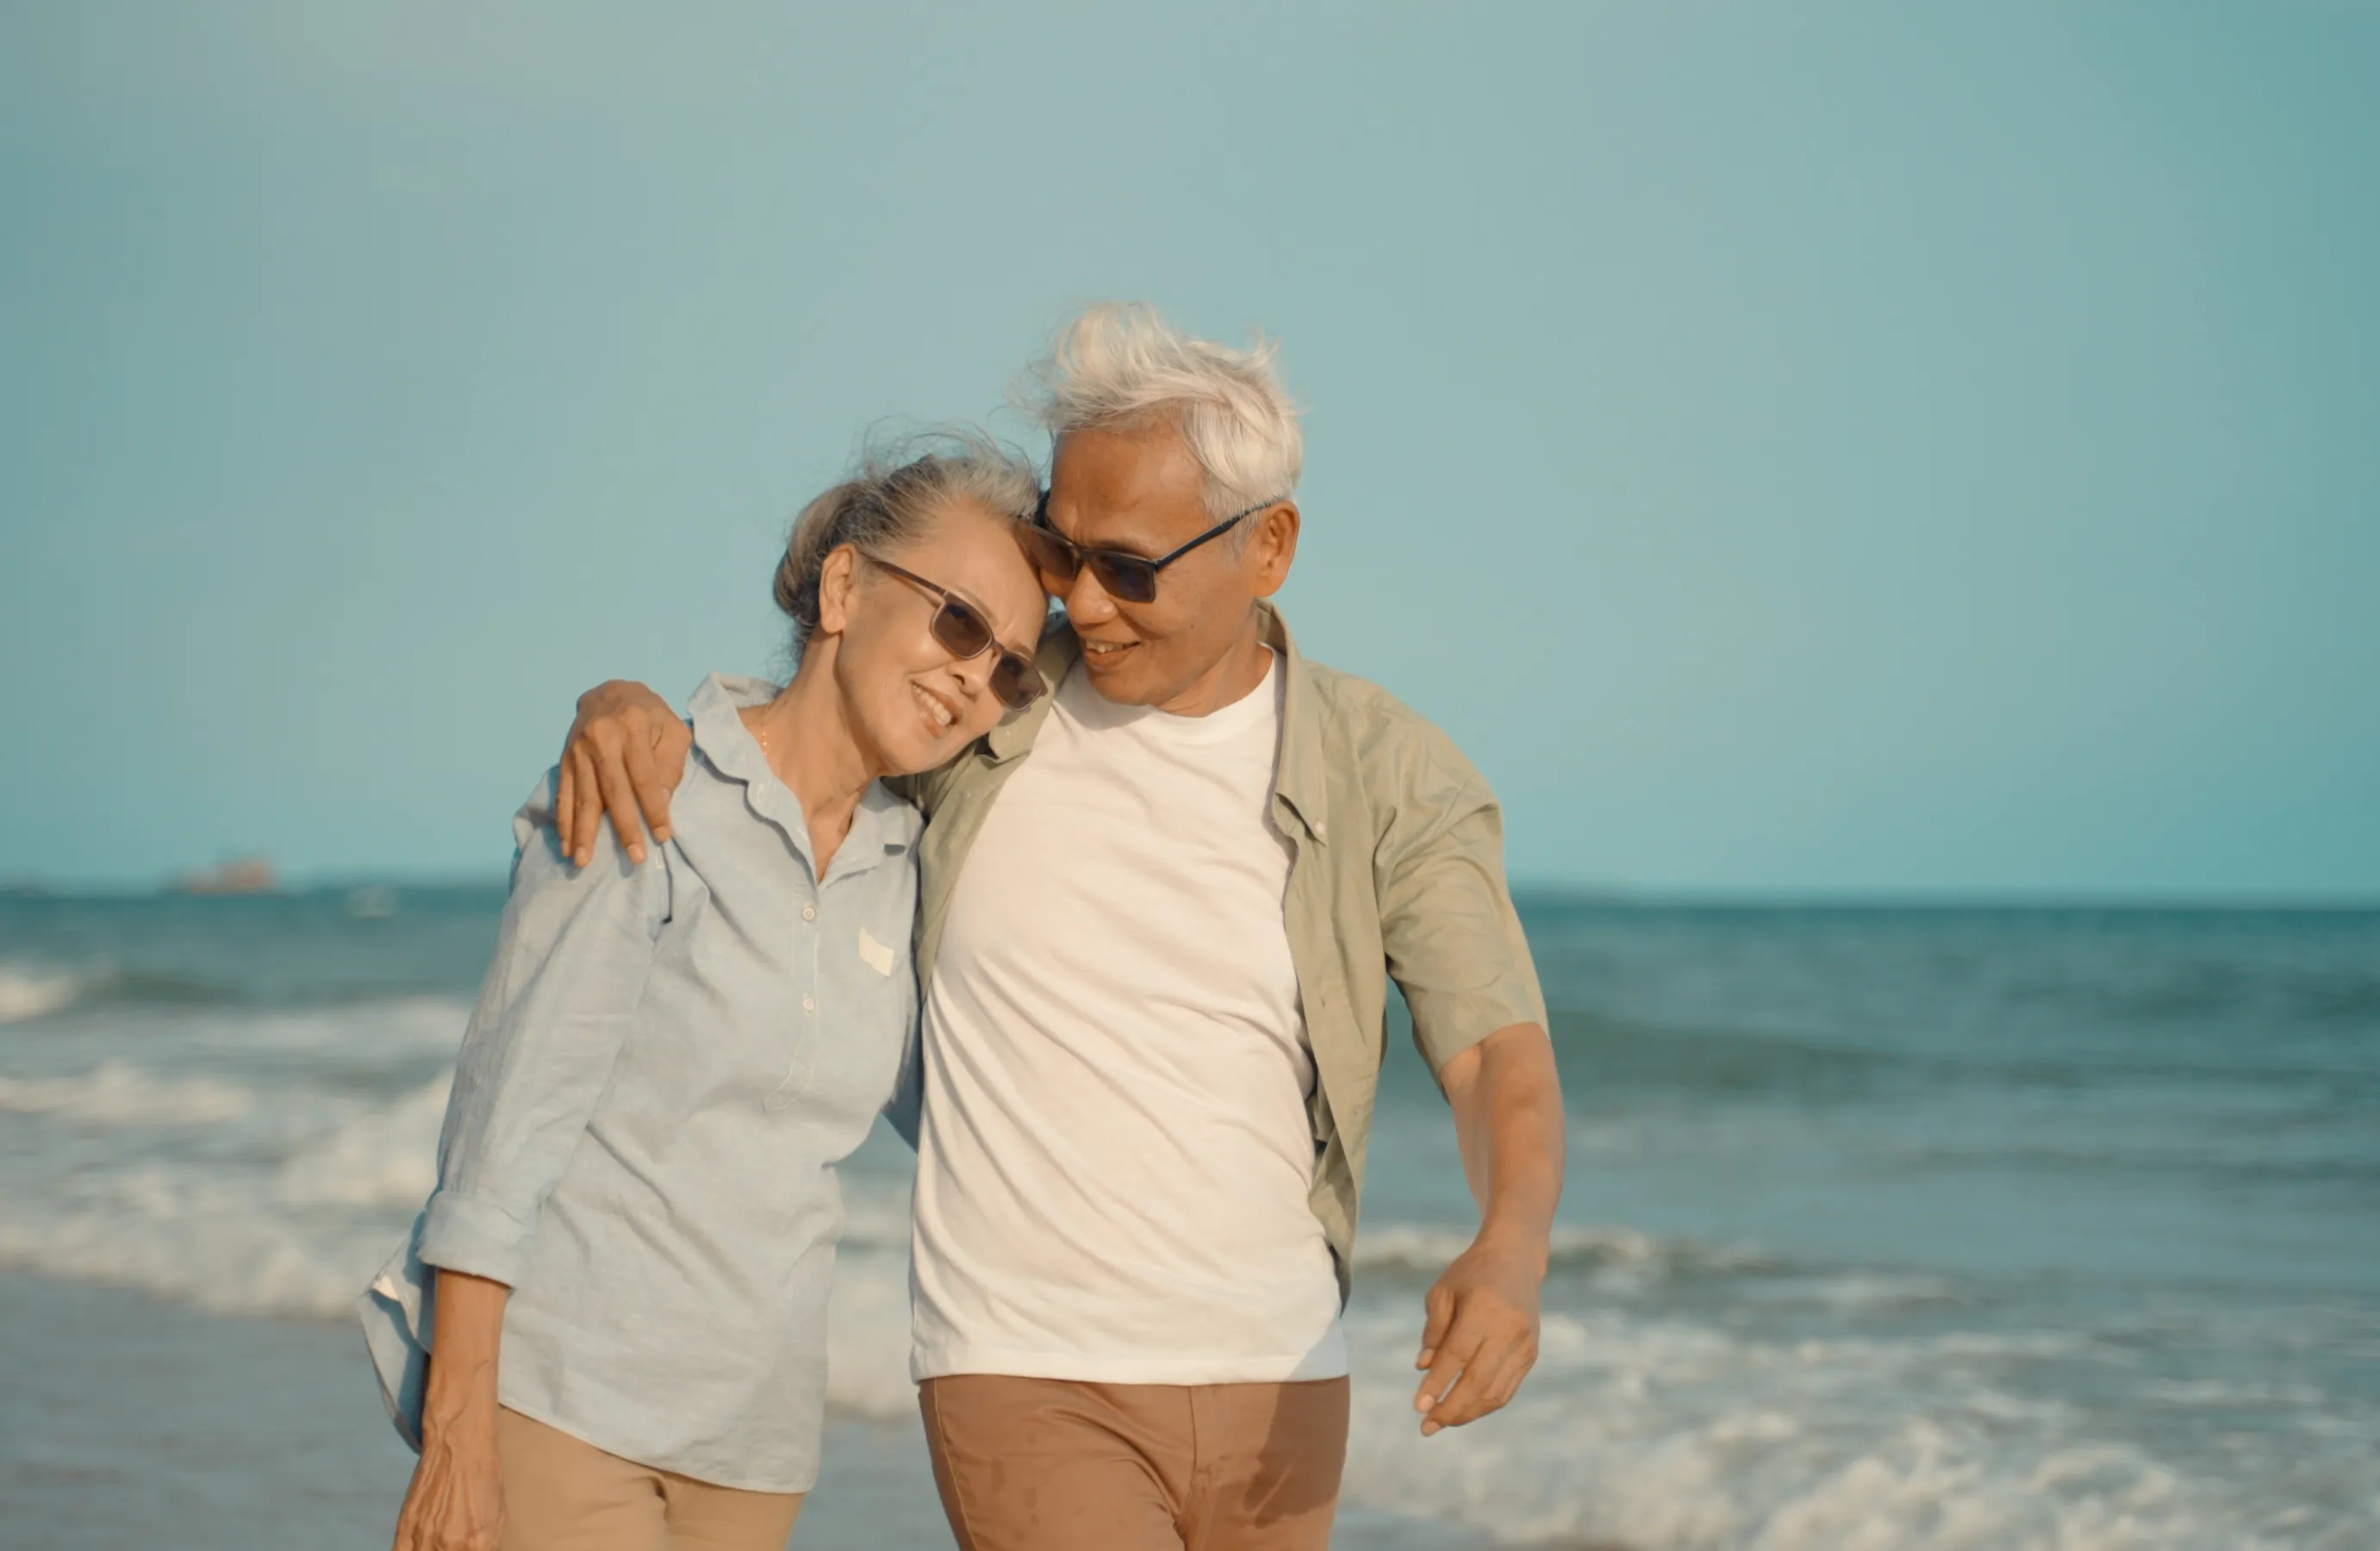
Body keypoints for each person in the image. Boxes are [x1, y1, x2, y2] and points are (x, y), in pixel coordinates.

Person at [557, 304, 1568, 1551]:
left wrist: (1510, 1247)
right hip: (1024, 1363)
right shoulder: (987, 708)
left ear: (1270, 548)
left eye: (1130, 567)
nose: (1083, 605)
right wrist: (627, 705)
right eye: (1061, 552)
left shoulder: (1391, 774)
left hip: (1283, 1378)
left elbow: (1492, 1051)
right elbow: (799, 737)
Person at [362, 434, 1050, 1551]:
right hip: (565, 1406)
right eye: (958, 622)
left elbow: (974, 1127)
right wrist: (457, 1437)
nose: (976, 676)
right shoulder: (652, 779)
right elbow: (504, 1128)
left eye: (1011, 667)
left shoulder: (906, 871)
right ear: (843, 589)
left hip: (755, 1456)